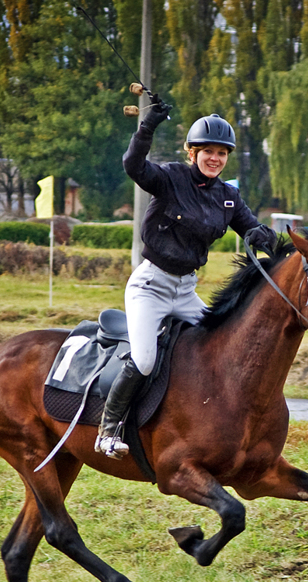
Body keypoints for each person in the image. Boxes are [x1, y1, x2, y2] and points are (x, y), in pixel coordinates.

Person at [94, 105, 277, 459]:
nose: (215, 158)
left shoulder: (228, 196)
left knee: (219, 349)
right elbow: (133, 165)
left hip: (186, 291)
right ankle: (107, 429)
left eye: (221, 153)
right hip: (151, 287)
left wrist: (263, 236)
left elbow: (249, 225)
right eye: (208, 151)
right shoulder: (169, 178)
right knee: (144, 360)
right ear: (192, 153)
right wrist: (147, 125)